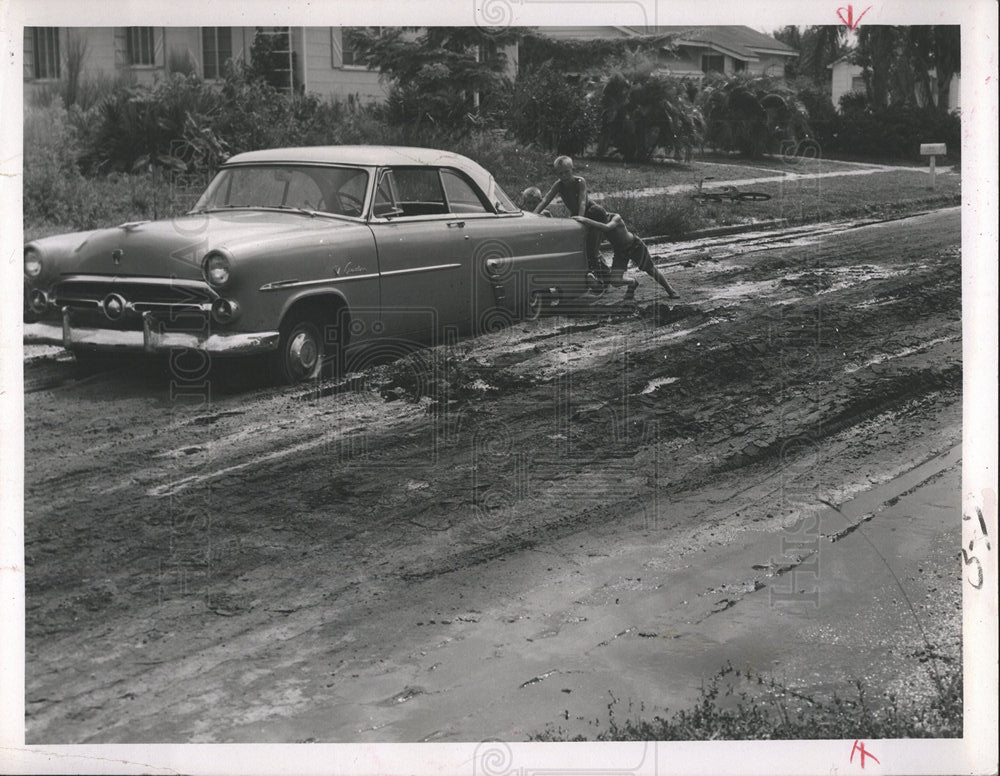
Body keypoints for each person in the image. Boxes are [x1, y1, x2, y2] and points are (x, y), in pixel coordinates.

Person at [572, 211, 681, 301]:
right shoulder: (598, 224)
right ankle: (632, 283)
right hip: (620, 252)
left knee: (650, 270)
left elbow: (607, 227)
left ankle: (670, 290)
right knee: (615, 281)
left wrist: (586, 220)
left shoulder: (615, 217)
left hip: (635, 246)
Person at [534, 156, 608, 275]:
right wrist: (533, 215)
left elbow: (582, 201)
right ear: (557, 173)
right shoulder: (559, 185)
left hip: (593, 213)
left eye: (566, 172)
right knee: (582, 246)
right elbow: (546, 200)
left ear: (572, 169)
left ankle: (602, 277)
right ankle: (600, 274)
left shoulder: (580, 181)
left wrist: (580, 219)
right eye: (560, 173)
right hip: (577, 215)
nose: (564, 176)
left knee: (592, 247)